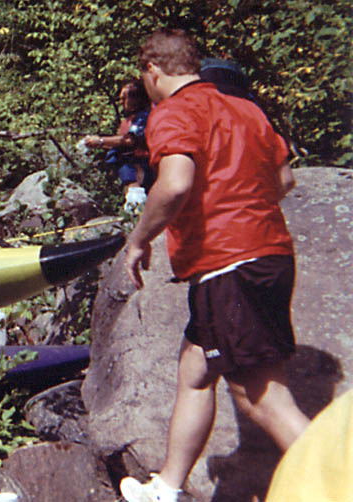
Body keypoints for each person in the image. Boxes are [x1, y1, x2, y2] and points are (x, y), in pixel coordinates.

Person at [120, 29, 310, 502]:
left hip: (229, 266)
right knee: (196, 370)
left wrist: (139, 239)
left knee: (261, 396)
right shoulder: (246, 109)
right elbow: (283, 177)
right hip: (268, 255)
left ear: (152, 72)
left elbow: (176, 183)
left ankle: (340, 479)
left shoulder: (174, 112)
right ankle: (166, 486)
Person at [83, 79, 152, 210]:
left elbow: (130, 140)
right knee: (131, 194)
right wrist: (96, 144)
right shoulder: (129, 119)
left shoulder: (143, 117)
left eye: (125, 98)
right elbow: (120, 143)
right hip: (127, 169)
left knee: (137, 198)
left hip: (140, 166)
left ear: (136, 98)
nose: (122, 102)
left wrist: (101, 140)